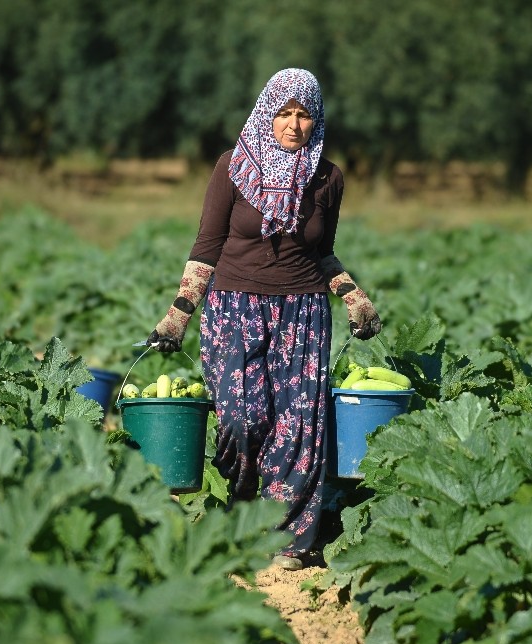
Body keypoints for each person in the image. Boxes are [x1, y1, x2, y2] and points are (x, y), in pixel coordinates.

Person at [147, 67, 381, 571]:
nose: (295, 125)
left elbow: (324, 252)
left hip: (303, 311)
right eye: (285, 113)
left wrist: (354, 296)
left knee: (297, 427)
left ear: (316, 121)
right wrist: (176, 315)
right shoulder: (232, 167)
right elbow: (207, 248)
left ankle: (288, 540)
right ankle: (242, 506)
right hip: (234, 306)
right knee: (241, 416)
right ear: (267, 114)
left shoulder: (327, 178)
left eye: (305, 115)